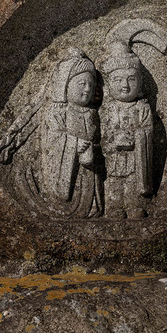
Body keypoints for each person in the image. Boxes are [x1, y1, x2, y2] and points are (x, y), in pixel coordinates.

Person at [39, 48, 102, 217]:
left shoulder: (91, 113)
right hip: (67, 166)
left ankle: (91, 206)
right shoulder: (58, 112)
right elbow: (52, 140)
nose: (87, 89)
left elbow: (97, 139)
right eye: (82, 84)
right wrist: (74, 144)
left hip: (88, 167)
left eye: (91, 84)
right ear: (67, 86)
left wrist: (93, 149)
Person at [98, 41, 153, 219]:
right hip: (113, 157)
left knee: (132, 180)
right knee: (114, 181)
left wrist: (137, 136)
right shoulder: (106, 109)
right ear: (108, 84)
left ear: (140, 82)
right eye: (118, 80)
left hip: (135, 156)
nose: (125, 86)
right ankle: (114, 206)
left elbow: (147, 130)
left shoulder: (142, 107)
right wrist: (113, 141)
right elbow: (101, 136)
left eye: (131, 79)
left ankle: (133, 204)